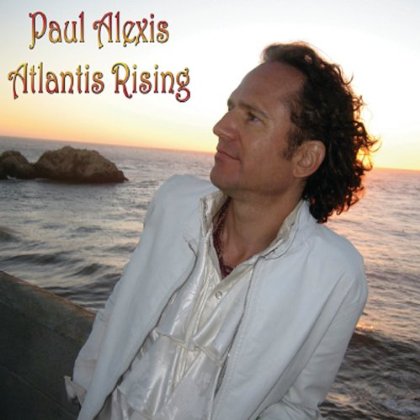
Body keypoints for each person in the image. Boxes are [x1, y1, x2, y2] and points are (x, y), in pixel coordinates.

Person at [66, 41, 377, 419]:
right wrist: (88, 394)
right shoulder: (174, 203)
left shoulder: (336, 275)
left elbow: (297, 405)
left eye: (252, 117)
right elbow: (119, 310)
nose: (221, 127)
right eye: (231, 108)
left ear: (305, 158)